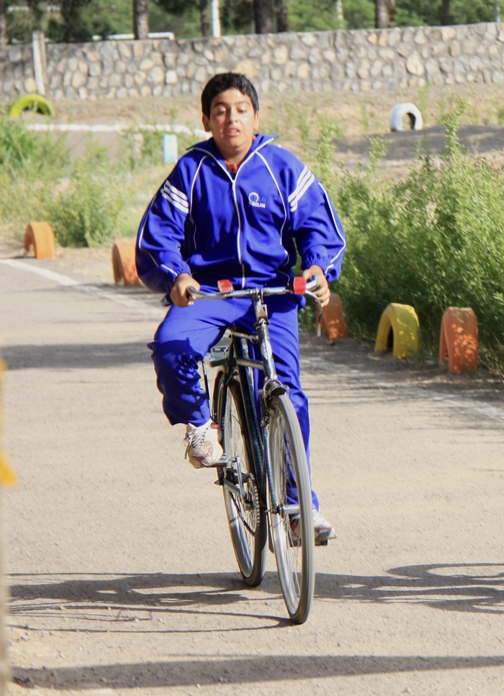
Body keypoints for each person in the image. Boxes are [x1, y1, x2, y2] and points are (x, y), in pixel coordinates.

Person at [136, 72, 346, 544]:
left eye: (240, 109)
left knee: (284, 393)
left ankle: (299, 507)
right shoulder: (190, 170)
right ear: (207, 119)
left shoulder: (282, 166)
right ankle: (199, 424)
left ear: (256, 115)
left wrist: (317, 269)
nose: (231, 118)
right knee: (171, 345)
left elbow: (319, 227)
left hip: (272, 295)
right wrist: (177, 277)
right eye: (220, 111)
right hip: (208, 294)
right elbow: (158, 239)